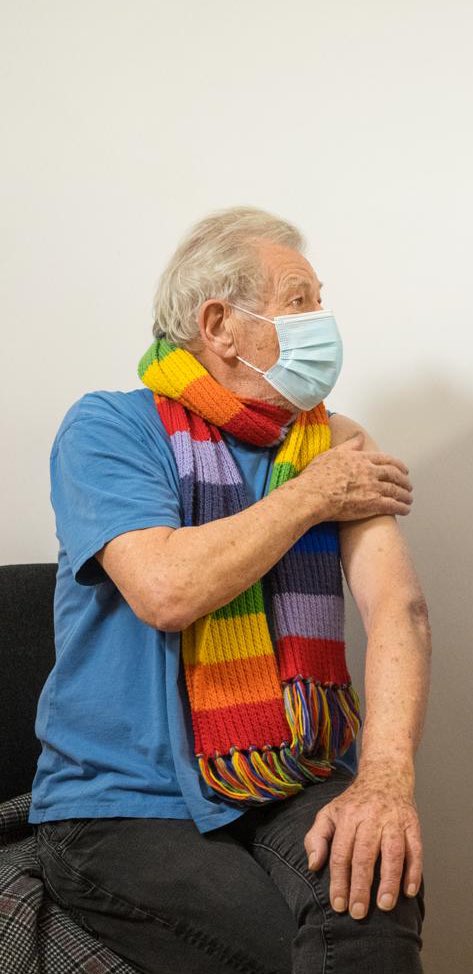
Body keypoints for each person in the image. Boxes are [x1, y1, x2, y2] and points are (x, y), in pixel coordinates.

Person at [29, 207, 431, 974]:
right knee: (288, 958)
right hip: (122, 804)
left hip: (291, 775)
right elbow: (166, 588)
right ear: (220, 325)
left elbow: (397, 611)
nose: (325, 320)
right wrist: (312, 496)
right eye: (301, 300)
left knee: (373, 901)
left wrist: (384, 781)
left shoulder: (333, 441)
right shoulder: (108, 428)